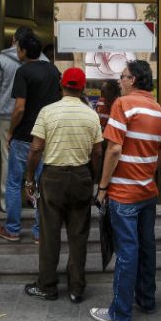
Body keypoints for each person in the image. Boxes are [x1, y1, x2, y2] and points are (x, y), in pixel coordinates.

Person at [89, 60, 161, 321]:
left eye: (122, 77)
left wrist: (102, 187)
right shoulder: (159, 110)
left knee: (127, 251)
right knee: (147, 247)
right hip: (148, 191)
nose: (120, 81)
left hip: (123, 192)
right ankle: (147, 300)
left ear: (132, 80)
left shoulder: (122, 104)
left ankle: (119, 313)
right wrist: (145, 173)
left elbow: (112, 149)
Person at [22, 68, 103, 303]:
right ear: (83, 87)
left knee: (49, 234)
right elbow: (97, 152)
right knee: (79, 235)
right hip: (81, 177)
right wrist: (95, 178)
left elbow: (36, 148)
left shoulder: (48, 112)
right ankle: (77, 288)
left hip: (53, 177)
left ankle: (47, 285)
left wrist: (29, 179)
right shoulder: (91, 115)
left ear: (61, 84)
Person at [0, 31, 61, 243]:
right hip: (48, 135)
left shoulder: (23, 72)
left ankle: (13, 229)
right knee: (43, 184)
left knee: (15, 182)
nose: (17, 51)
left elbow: (19, 108)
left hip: (25, 136)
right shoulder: (53, 70)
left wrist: (11, 131)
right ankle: (40, 232)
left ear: (23, 50)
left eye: (18, 48)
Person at [0, 27, 50, 211]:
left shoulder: (2, 60)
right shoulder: (44, 61)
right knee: (37, 158)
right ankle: (34, 199)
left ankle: (7, 203)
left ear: (14, 40)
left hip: (7, 115)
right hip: (38, 117)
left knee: (8, 159)